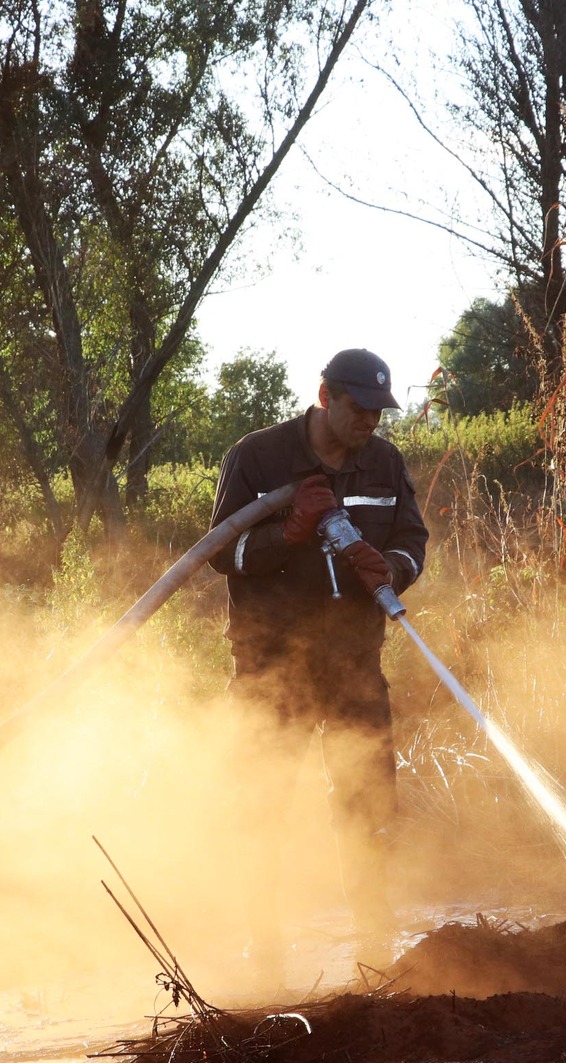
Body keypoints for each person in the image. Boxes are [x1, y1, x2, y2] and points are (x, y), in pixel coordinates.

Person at [207, 349, 429, 975]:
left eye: (378, 412)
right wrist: (290, 533)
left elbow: (411, 540)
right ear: (325, 396)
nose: (369, 423)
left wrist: (395, 569)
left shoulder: (383, 462)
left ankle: (375, 951)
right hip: (270, 667)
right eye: (359, 408)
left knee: (369, 808)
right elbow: (224, 555)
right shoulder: (258, 458)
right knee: (263, 808)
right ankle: (265, 953)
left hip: (355, 663)